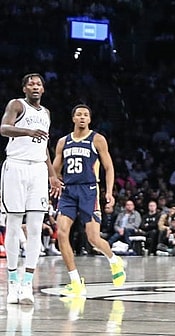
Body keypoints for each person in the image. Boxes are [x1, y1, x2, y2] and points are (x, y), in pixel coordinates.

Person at [52, 104, 127, 297]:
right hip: (69, 192)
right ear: (73, 118)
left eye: (86, 115)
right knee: (61, 233)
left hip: (89, 191)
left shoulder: (97, 139)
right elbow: (54, 169)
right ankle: (76, 281)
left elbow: (109, 168)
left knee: (93, 238)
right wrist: (54, 181)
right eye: (79, 114)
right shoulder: (63, 142)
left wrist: (109, 192)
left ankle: (113, 260)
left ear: (90, 119)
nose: (83, 117)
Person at [1, 73, 62, 305]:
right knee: (14, 224)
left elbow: (44, 147)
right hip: (15, 167)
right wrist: (27, 131)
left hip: (37, 170)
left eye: (39, 84)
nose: (35, 86)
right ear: (24, 88)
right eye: (31, 84)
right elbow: (4, 129)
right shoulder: (17, 105)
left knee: (36, 226)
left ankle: (27, 283)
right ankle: (13, 283)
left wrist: (52, 175)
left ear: (43, 89)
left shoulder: (46, 113)